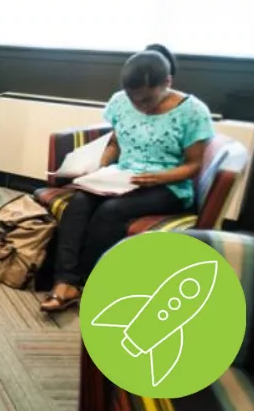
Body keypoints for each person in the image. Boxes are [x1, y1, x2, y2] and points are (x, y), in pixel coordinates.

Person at [40, 44, 214, 312]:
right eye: (133, 99)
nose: (139, 106)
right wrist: (98, 166)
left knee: (111, 211)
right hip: (122, 178)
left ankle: (84, 280)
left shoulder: (193, 112)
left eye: (147, 99)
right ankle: (64, 281)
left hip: (168, 186)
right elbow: (115, 143)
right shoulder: (120, 102)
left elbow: (194, 165)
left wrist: (158, 177)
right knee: (79, 202)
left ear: (167, 82)